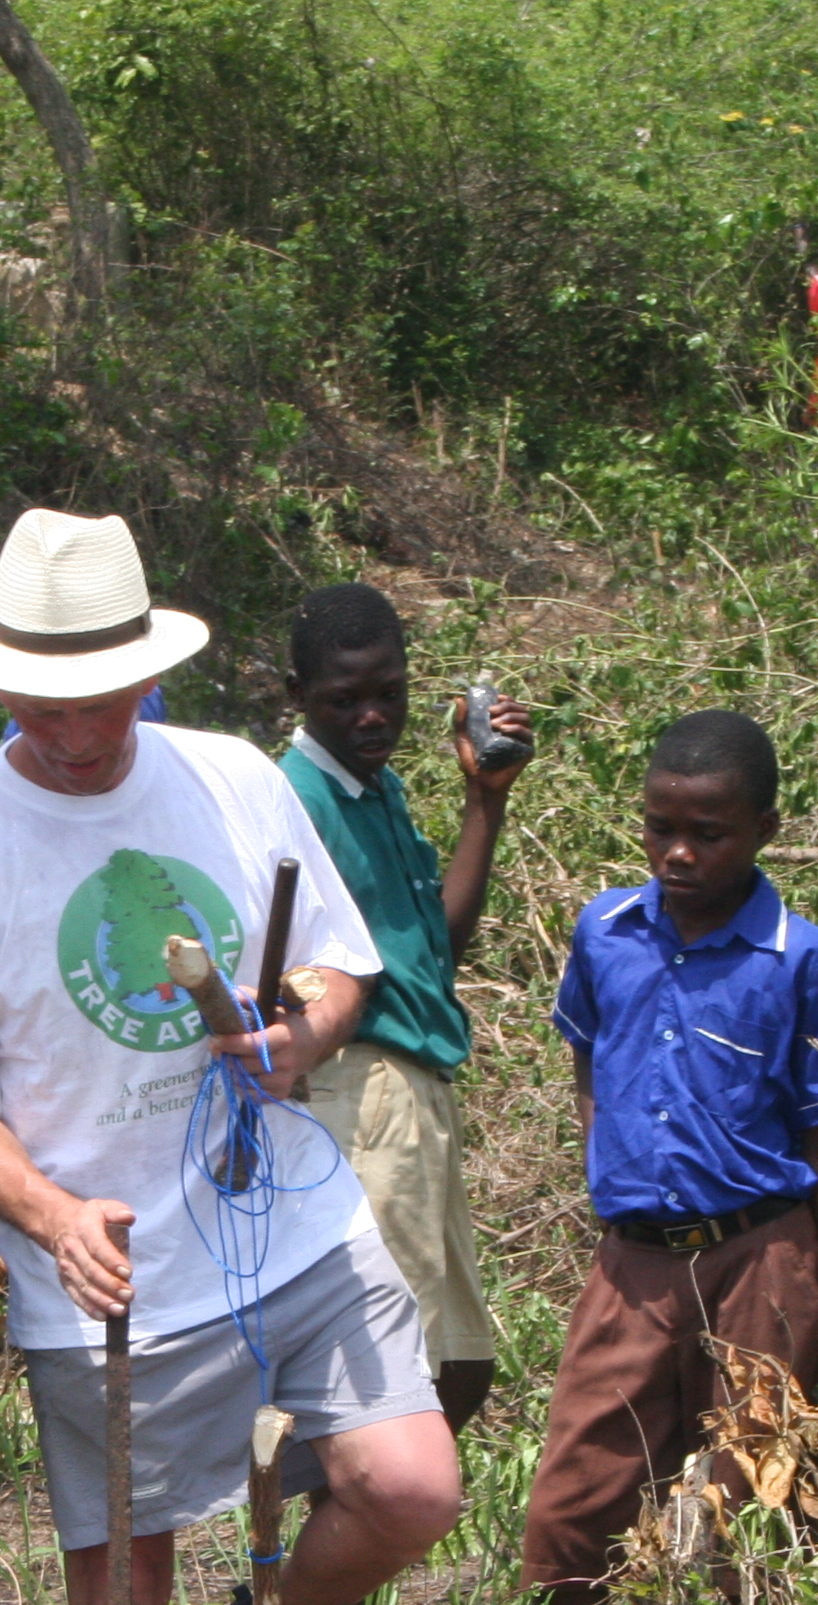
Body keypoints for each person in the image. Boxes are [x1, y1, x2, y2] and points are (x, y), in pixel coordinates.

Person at [0, 509, 463, 1605]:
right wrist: (50, 1218)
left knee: (412, 1484)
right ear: (1, 684)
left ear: (152, 671)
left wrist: (301, 1036)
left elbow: (338, 966)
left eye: (107, 699)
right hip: (115, 1279)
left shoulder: (233, 781)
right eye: (47, 706)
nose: (83, 735)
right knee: (117, 1600)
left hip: (290, 1223)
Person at [518, 710, 818, 1605]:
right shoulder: (606, 931)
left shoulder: (797, 959)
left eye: (710, 832)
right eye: (658, 827)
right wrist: (613, 1174)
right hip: (633, 1265)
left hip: (761, 1262)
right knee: (570, 1508)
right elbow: (589, 1055)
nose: (679, 852)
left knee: (747, 1513)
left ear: (765, 827)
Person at [278, 583, 526, 1437]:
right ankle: (303, 1568)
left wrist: (484, 801)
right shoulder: (300, 802)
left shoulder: (373, 791)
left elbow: (432, 952)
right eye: (345, 700)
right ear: (298, 697)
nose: (373, 716)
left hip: (416, 1092)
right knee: (395, 1377)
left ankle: (334, 1567)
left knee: (457, 1365)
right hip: (363, 1092)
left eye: (389, 694)